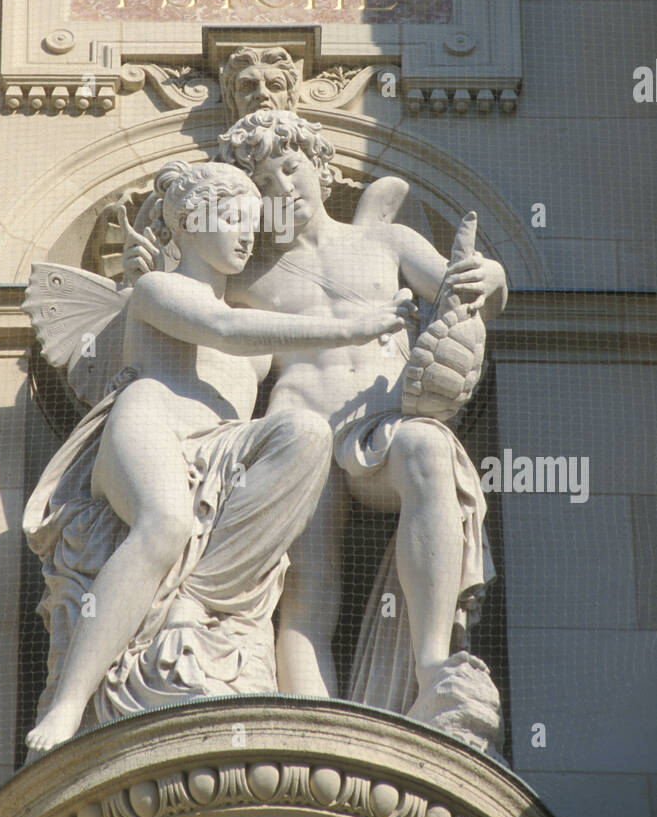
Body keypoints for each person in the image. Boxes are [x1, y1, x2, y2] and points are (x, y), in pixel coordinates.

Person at [25, 158, 416, 753]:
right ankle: (68, 704)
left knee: (306, 435)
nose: (245, 234)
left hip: (222, 445)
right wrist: (352, 327)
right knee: (166, 521)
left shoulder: (256, 330)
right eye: (231, 216)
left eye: (252, 224)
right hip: (152, 420)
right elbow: (225, 329)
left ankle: (197, 598)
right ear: (187, 219)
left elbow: (282, 359)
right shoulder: (159, 290)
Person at [209, 110, 508, 739]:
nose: (282, 186)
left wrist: (493, 279)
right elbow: (210, 343)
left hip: (382, 422)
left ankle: (433, 671)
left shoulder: (387, 242)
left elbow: (462, 296)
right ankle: (313, 732)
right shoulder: (244, 279)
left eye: (289, 168)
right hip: (298, 435)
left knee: (427, 449)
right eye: (261, 183)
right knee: (307, 592)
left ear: (320, 167)